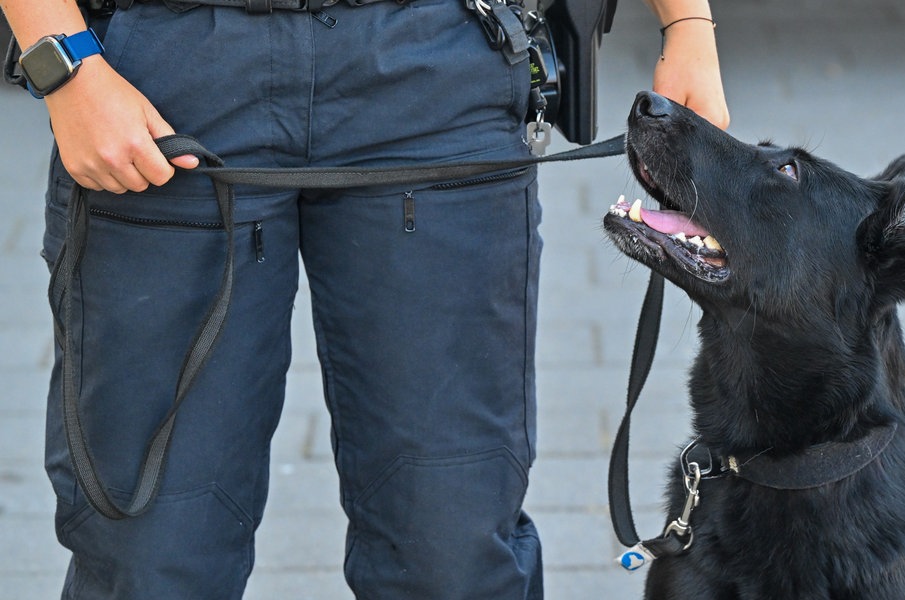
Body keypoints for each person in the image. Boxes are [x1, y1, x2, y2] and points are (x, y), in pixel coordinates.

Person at [0, 0, 728, 597]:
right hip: (171, 73)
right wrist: (61, 61)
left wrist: (686, 24)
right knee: (151, 557)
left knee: (449, 554)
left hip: (431, 66)